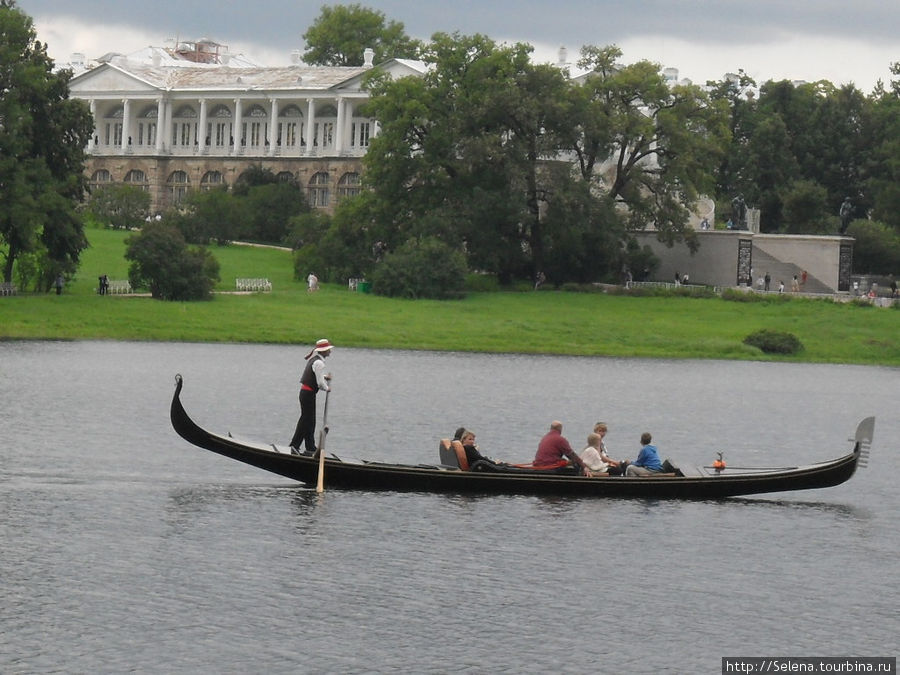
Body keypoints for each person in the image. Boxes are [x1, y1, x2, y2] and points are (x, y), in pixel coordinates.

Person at [289, 338, 333, 455]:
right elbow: (319, 383)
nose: (330, 351)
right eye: (328, 349)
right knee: (307, 419)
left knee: (309, 420)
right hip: (308, 394)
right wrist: (327, 388)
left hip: (307, 393)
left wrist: (325, 378)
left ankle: (308, 446)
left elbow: (318, 376)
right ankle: (296, 444)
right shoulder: (319, 362)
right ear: (323, 351)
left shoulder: (316, 360)